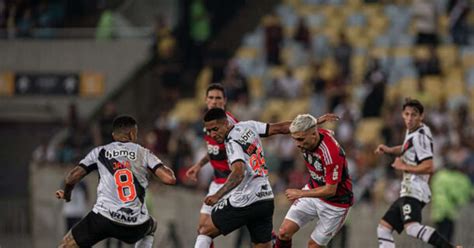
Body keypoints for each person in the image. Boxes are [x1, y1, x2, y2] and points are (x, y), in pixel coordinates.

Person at [55, 115, 176, 247]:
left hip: (103, 217)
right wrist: (163, 165)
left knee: (66, 244)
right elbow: (169, 179)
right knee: (152, 225)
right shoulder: (144, 153)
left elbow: (71, 177)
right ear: (133, 134)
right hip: (134, 224)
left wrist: (67, 195)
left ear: (113, 135)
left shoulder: (99, 152)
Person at [194, 107, 292, 248]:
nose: (212, 134)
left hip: (246, 198)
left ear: (226, 123)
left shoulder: (231, 142)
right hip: (265, 197)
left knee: (204, 231)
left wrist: (217, 195)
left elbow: (238, 173)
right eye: (209, 131)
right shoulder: (248, 125)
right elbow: (280, 128)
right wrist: (310, 126)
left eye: (215, 129)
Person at [374, 99, 455, 248]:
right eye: (407, 114)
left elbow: (429, 167)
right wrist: (390, 150)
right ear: (403, 115)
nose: (410, 118)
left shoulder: (420, 136)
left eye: (414, 115)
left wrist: (403, 166)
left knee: (412, 228)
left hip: (415, 189)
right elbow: (406, 148)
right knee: (383, 229)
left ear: (421, 116)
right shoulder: (412, 131)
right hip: (408, 188)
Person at [275, 114, 353, 248]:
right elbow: (290, 127)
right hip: (313, 191)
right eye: (294, 139)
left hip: (335, 204)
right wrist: (316, 121)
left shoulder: (331, 153)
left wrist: (300, 194)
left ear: (313, 135)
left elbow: (330, 190)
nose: (297, 144)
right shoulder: (310, 133)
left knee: (313, 246)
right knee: (283, 232)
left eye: (300, 139)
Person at [186, 83, 238, 247]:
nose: (214, 101)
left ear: (225, 101)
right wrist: (199, 165)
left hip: (233, 183)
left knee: (255, 230)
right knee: (202, 229)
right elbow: (213, 149)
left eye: (218, 98)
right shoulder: (208, 120)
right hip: (217, 182)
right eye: (211, 98)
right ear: (205, 100)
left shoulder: (230, 124)